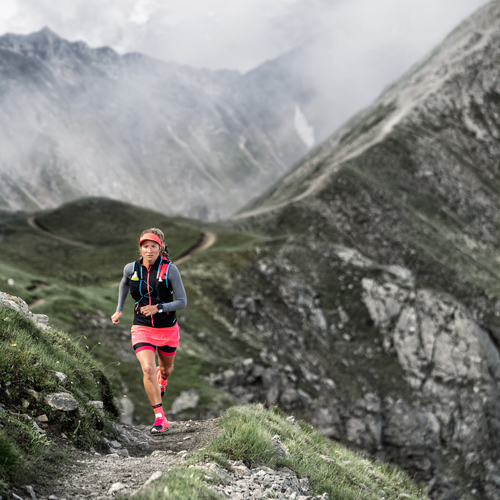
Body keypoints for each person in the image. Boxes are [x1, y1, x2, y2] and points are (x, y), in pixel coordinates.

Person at [111, 228, 187, 434]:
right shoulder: (131, 269)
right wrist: (119, 310)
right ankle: (160, 417)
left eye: (153, 246)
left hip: (167, 329)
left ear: (160, 248)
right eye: (145, 246)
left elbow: (182, 302)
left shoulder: (170, 270)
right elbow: (124, 284)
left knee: (166, 370)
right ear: (140, 249)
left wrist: (159, 307)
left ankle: (162, 379)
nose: (149, 250)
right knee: (147, 368)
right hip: (142, 326)